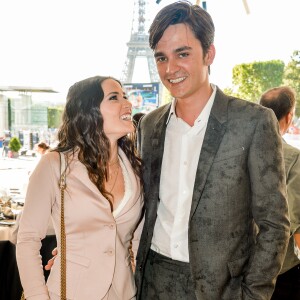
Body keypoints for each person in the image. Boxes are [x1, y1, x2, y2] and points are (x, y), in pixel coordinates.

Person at [134, 1, 290, 299]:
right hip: (153, 282)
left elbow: (274, 223)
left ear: (209, 54)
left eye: (183, 54)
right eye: (161, 58)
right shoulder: (150, 125)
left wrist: (253, 294)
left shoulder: (253, 122)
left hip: (222, 288)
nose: (170, 69)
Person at [16, 76, 144, 300]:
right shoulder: (54, 165)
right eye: (114, 97)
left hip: (125, 294)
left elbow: (136, 238)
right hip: (70, 293)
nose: (127, 103)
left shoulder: (135, 169)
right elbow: (27, 240)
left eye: (125, 96)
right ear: (88, 111)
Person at [260, 86, 300, 300]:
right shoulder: (293, 158)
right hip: (280, 270)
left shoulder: (238, 150)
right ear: (289, 116)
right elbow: (290, 219)